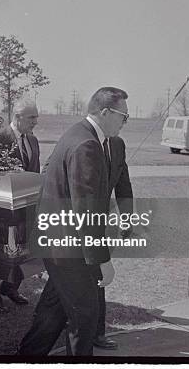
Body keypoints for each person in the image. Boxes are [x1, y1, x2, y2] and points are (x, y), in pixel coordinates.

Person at [17, 86, 129, 356]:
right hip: (67, 246)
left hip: (61, 243)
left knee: (54, 309)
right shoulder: (87, 144)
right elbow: (85, 209)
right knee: (85, 315)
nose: (125, 122)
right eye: (123, 116)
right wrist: (102, 260)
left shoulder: (84, 135)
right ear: (105, 112)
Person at [0, 102, 40, 313]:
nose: (35, 122)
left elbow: (35, 172)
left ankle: (11, 287)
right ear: (17, 116)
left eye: (36, 117)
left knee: (22, 250)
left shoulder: (33, 141)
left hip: (24, 207)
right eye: (31, 118)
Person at [91, 134, 133, 350]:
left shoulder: (117, 144)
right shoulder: (80, 139)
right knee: (69, 279)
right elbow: (49, 174)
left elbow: (123, 183)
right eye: (121, 117)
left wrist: (127, 218)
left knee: (98, 275)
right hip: (75, 223)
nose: (123, 124)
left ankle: (97, 333)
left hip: (103, 223)